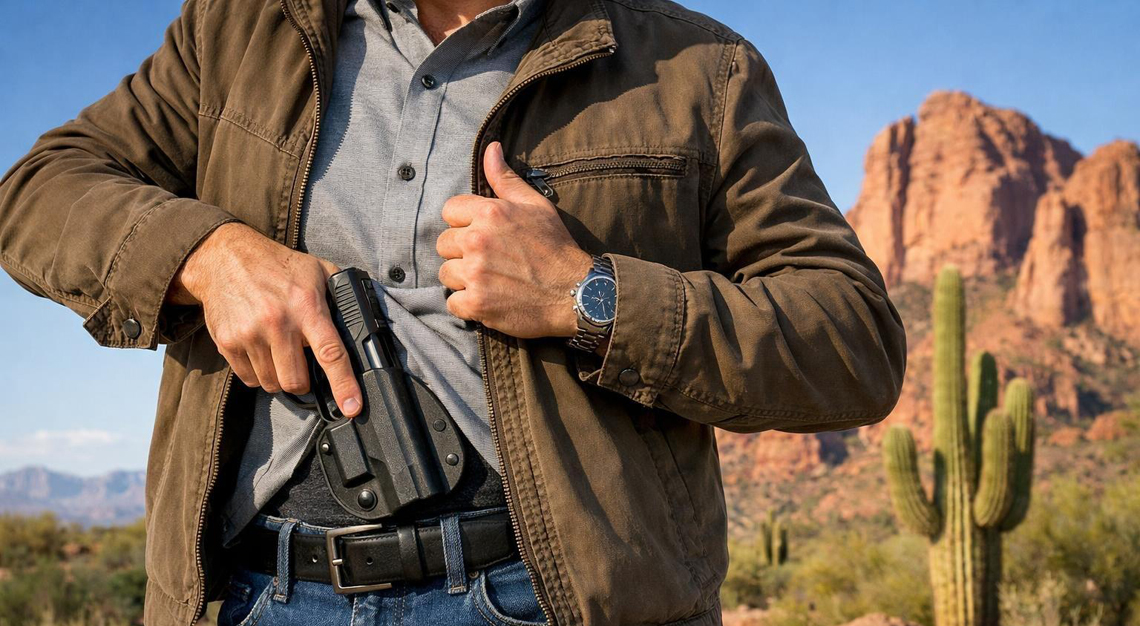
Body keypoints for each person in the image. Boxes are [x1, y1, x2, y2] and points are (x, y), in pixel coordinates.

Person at [0, 0, 907, 624]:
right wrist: (207, 255)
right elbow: (38, 190)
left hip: (541, 598)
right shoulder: (242, 28)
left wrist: (587, 295)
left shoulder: (698, 67)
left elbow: (854, 338)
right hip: (254, 593)